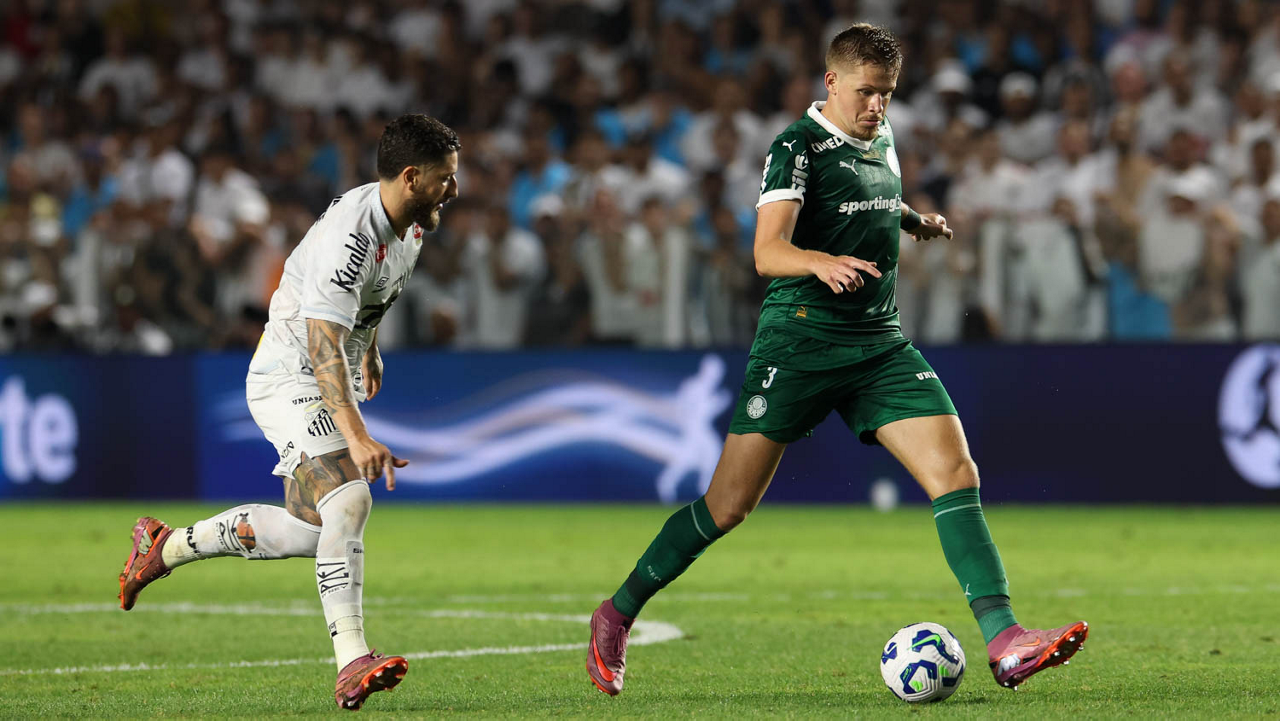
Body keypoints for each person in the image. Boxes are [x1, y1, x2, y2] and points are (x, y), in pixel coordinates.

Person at [585, 24, 1088, 697]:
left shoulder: (880, 136)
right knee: (727, 505)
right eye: (865, 92)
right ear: (831, 82)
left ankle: (1005, 639)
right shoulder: (797, 146)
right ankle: (616, 613)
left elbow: (870, 198)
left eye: (886, 94)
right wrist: (819, 262)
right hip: (800, 341)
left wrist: (915, 221)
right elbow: (768, 250)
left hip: (878, 342)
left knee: (955, 470)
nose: (876, 106)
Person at [116, 114, 461, 711]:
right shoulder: (349, 239)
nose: (453, 190)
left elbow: (362, 305)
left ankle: (165, 547)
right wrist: (356, 435)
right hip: (291, 378)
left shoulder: (409, 225)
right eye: (444, 179)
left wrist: (370, 346)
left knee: (313, 530)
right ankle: (352, 661)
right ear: (410, 177)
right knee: (351, 497)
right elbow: (324, 342)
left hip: (324, 370)